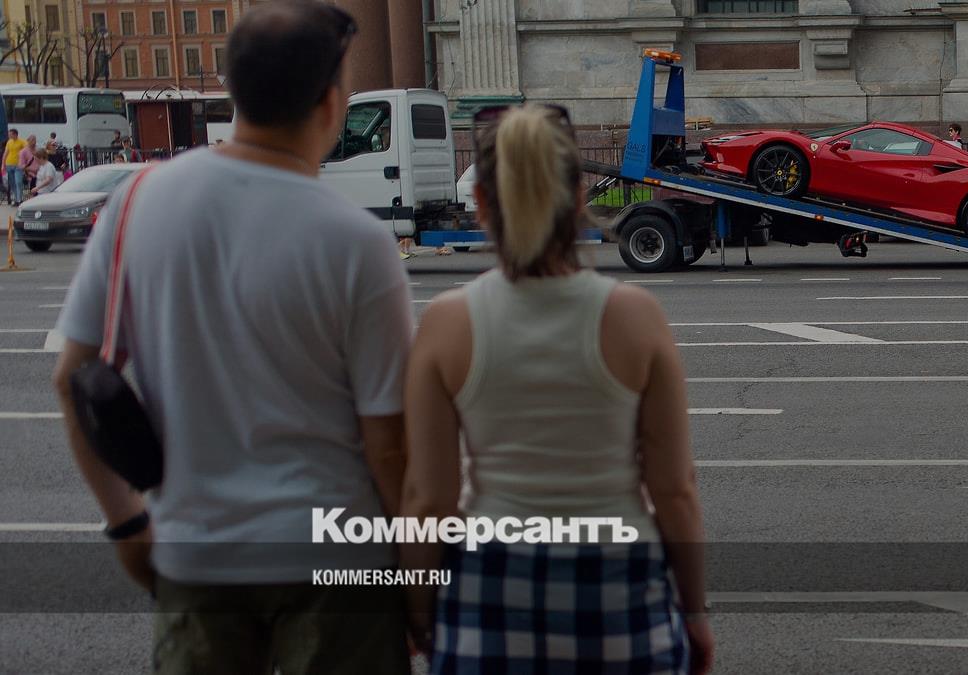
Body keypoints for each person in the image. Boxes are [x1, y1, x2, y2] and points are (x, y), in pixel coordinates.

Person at [51, 2, 415, 672]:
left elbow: (73, 377)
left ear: (232, 91)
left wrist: (128, 524)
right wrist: (417, 580)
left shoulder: (136, 204)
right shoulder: (358, 242)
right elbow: (388, 443)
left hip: (197, 557)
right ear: (331, 103)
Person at [402, 105, 714, 674]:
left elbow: (429, 498)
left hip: (490, 589)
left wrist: (418, 608)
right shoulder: (634, 316)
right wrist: (693, 612)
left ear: (481, 203)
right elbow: (674, 490)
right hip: (618, 589)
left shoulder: (448, 323)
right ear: (578, 196)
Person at [4, 129, 26, 205]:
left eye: (10, 134)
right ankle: (16, 199)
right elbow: (6, 153)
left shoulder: (22, 142)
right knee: (12, 183)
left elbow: (27, 151)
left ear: (15, 134)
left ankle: (20, 199)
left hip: (18, 165)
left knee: (18, 182)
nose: (9, 136)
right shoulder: (9, 142)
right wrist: (3, 164)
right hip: (9, 164)